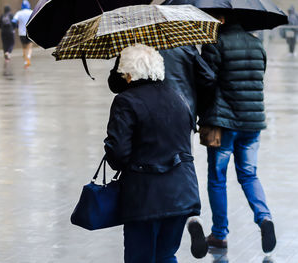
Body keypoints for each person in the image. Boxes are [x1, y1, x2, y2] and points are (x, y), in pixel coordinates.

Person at [104, 43, 203, 263]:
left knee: (140, 257)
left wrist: (110, 147)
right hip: (180, 194)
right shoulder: (178, 97)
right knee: (166, 255)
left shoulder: (125, 102)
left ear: (129, 73)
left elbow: (118, 154)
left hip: (145, 197)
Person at [199, 11, 276, 253]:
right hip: (252, 122)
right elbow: (258, 79)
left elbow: (206, 81)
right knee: (249, 175)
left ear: (221, 20)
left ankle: (219, 234)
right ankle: (264, 217)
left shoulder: (215, 43)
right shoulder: (257, 44)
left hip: (219, 123)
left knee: (217, 178)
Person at [13, 1, 33, 68]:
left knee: (24, 47)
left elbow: (13, 21)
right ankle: (28, 57)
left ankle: (25, 61)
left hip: (21, 33)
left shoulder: (19, 13)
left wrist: (17, 27)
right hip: (30, 33)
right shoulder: (31, 12)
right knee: (29, 46)